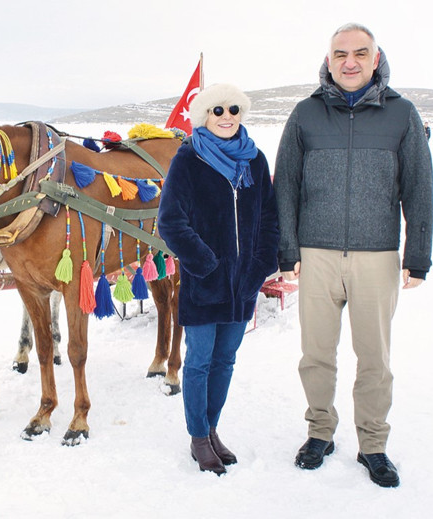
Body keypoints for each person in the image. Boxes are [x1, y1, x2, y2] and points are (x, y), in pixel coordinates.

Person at [273, 23, 433, 488]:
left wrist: (416, 255)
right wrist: (289, 249)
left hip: (377, 257)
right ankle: (319, 433)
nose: (350, 61)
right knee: (315, 355)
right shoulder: (305, 114)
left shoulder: (401, 114)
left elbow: (419, 189)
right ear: (328, 61)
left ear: (376, 58)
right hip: (316, 254)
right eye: (340, 53)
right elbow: (285, 186)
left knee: (375, 359)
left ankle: (373, 444)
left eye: (360, 53)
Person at [158, 84, 279, 475]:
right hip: (204, 281)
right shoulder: (188, 160)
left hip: (243, 285)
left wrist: (258, 267)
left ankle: (212, 429)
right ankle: (198, 437)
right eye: (217, 110)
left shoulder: (255, 160)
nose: (227, 116)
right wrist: (206, 265)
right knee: (199, 362)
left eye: (233, 109)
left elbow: (269, 220)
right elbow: (171, 222)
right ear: (203, 117)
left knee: (225, 360)